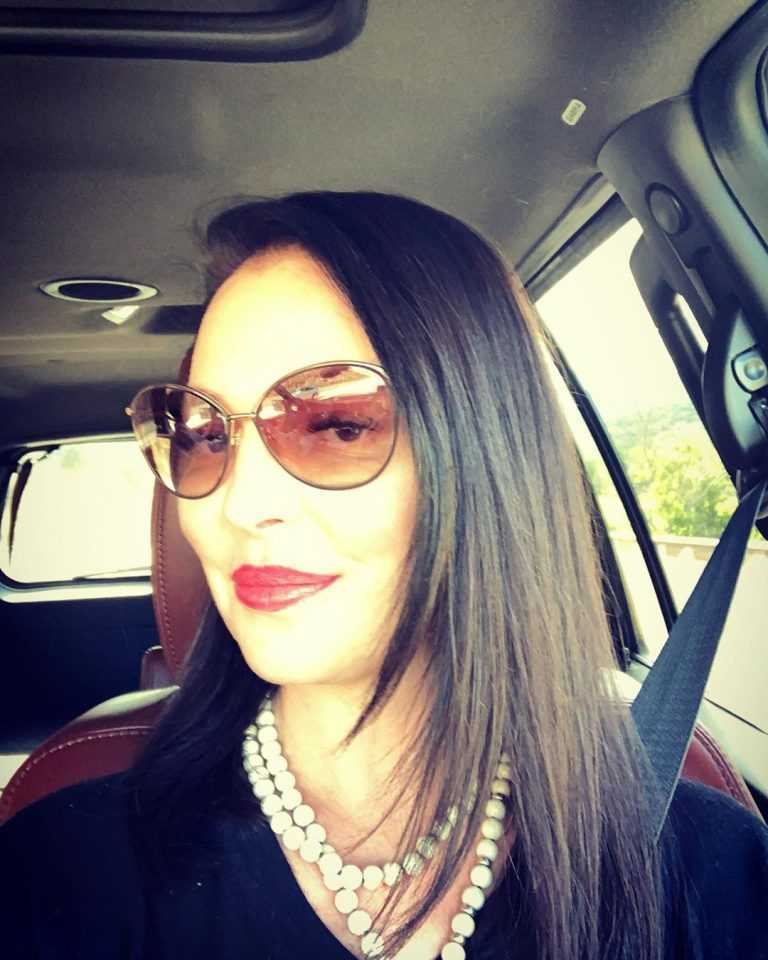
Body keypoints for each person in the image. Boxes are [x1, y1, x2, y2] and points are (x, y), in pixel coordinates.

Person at [1, 191, 767, 960]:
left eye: (338, 425)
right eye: (205, 436)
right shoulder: (59, 874)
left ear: (485, 453)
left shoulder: (712, 874)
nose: (241, 504)